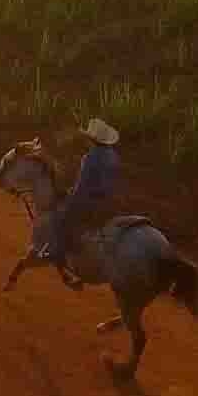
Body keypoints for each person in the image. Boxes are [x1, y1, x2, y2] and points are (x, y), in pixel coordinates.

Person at [42, 118, 120, 284]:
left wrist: (70, 195)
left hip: (89, 200)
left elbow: (82, 186)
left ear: (92, 140)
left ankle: (54, 251)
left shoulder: (90, 157)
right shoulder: (113, 156)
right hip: (109, 201)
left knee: (59, 218)